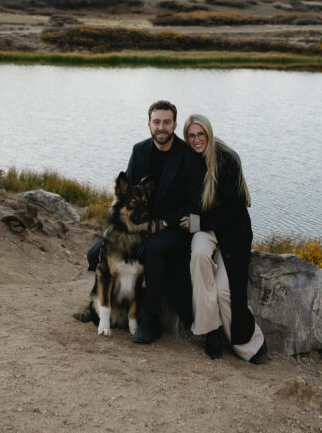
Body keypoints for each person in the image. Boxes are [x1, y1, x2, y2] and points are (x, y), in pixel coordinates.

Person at [87, 100, 203, 344]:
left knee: (152, 250)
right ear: (149, 124)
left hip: (171, 227)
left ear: (174, 125)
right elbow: (125, 191)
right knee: (95, 254)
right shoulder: (139, 150)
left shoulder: (187, 157)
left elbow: (193, 203)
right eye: (156, 122)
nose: (161, 127)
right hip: (139, 224)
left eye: (167, 122)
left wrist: (162, 223)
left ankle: (151, 320)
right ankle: (107, 303)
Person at [180, 114, 267, 364]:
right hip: (205, 231)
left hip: (232, 231)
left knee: (224, 293)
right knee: (198, 256)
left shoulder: (226, 159)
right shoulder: (189, 161)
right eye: (191, 136)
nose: (197, 140)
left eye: (201, 134)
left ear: (209, 133)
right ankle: (211, 333)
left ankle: (250, 345)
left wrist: (197, 223)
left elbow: (232, 211)